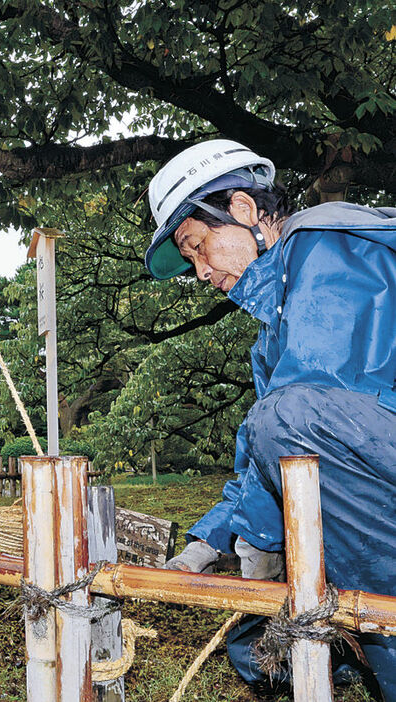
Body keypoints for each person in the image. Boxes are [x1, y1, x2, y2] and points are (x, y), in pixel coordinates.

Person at [144, 139, 396, 698]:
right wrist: (203, 548)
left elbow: (301, 423)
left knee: (283, 416)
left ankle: (380, 635)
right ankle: (349, 642)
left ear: (242, 210)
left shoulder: (324, 246)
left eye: (199, 246)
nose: (202, 271)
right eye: (190, 263)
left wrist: (246, 536)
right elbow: (265, 461)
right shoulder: (270, 338)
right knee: (255, 649)